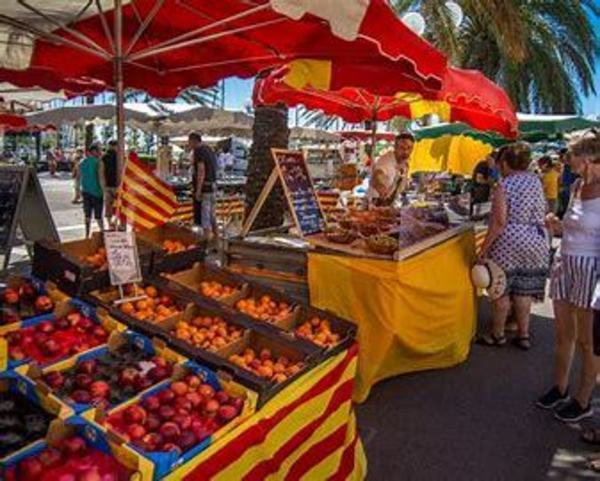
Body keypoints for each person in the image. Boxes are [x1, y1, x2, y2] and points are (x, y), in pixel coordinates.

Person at [537, 129, 600, 423]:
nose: (566, 159)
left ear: (587, 158)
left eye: (571, 154)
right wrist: (556, 225)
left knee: (588, 341)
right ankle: (560, 388)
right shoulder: (575, 186)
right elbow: (570, 226)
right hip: (565, 262)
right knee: (564, 335)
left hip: (591, 270)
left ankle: (583, 398)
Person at [476, 143, 550, 350]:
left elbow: (499, 222)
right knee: (523, 291)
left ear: (506, 163)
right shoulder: (536, 181)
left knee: (501, 290)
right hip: (535, 239)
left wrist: (484, 249)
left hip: (509, 241)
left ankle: (497, 334)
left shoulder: (504, 185)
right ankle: (523, 335)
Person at [367, 131, 414, 207]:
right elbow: (377, 175)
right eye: (402, 148)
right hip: (375, 203)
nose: (406, 151)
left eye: (409, 148)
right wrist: (380, 186)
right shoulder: (386, 161)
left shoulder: (405, 162)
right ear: (395, 147)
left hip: (390, 204)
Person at [188, 132, 217, 239]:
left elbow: (201, 170)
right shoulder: (209, 149)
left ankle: (206, 242)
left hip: (205, 187)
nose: (188, 144)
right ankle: (216, 240)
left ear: (193, 141)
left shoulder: (198, 151)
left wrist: (198, 190)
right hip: (213, 186)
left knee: (205, 217)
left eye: (189, 142)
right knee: (212, 215)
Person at [80, 143, 104, 238]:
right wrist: (104, 192)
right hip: (97, 192)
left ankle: (86, 234)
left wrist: (78, 192)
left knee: (87, 215)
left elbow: (78, 178)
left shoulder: (82, 162)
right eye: (99, 150)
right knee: (98, 216)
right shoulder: (99, 162)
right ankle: (103, 233)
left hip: (85, 191)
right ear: (94, 151)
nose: (100, 152)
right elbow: (101, 178)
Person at [101, 140, 119, 229]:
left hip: (107, 185)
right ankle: (116, 222)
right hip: (118, 185)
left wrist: (103, 185)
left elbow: (101, 172)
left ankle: (109, 224)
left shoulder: (104, 157)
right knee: (119, 205)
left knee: (108, 205)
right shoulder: (120, 156)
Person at [558, 148, 579, 218]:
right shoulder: (564, 167)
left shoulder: (574, 167)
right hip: (564, 192)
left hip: (571, 194)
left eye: (561, 156)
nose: (560, 158)